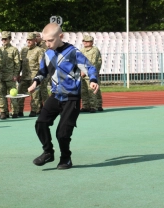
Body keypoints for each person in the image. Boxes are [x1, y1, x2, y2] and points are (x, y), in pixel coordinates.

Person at [28, 23, 99, 170]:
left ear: (60, 36)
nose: (47, 44)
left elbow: (89, 67)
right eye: (45, 41)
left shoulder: (72, 52)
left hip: (71, 97)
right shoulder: (47, 54)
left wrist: (92, 80)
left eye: (50, 40)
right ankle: (48, 152)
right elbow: (42, 72)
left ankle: (66, 158)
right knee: (40, 123)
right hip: (56, 95)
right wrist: (35, 82)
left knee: (62, 133)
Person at [18, 32, 44, 117]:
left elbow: (41, 65)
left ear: (35, 40)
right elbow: (20, 64)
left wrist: (39, 78)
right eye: (27, 40)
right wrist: (18, 74)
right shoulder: (24, 50)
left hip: (34, 76)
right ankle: (19, 110)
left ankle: (34, 110)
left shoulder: (39, 50)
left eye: (31, 40)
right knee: (20, 94)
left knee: (35, 95)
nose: (29, 41)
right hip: (24, 76)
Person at [0, 31, 20, 118]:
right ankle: (4, 112)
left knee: (13, 95)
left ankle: (15, 112)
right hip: (1, 76)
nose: (4, 40)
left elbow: (17, 63)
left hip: (11, 76)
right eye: (3, 39)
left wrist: (16, 74)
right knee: (2, 95)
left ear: (9, 39)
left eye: (6, 39)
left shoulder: (14, 50)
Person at [80, 35, 103, 113]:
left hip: (91, 74)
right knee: (83, 91)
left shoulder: (94, 50)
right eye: (84, 41)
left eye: (87, 41)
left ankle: (94, 106)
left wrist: (84, 71)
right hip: (83, 74)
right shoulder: (82, 50)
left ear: (91, 42)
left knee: (92, 90)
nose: (85, 43)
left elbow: (92, 63)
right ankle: (85, 106)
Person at [34, 31, 50, 114]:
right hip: (39, 71)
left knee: (43, 90)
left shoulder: (44, 45)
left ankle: (48, 107)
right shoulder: (36, 46)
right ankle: (40, 107)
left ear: (39, 37)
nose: (35, 38)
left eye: (36, 36)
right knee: (38, 90)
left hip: (45, 71)